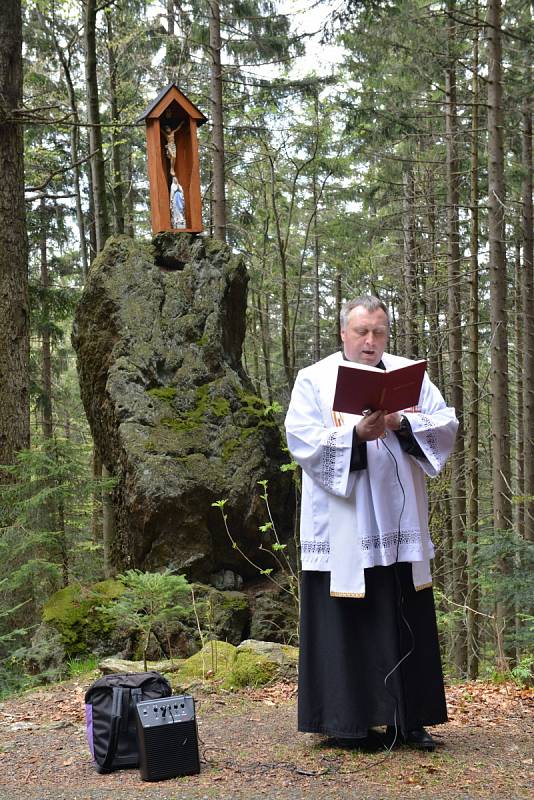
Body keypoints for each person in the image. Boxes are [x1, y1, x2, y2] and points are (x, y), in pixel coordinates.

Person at [285, 295, 458, 751]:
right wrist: (354, 436)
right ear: (343, 332)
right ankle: (350, 722)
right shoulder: (315, 380)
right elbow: (301, 441)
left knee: (404, 615)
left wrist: (404, 424)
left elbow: (446, 426)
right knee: (350, 617)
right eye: (361, 332)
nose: (370, 341)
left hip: (399, 521)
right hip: (345, 523)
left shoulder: (410, 378)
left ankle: (409, 720)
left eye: (378, 332)